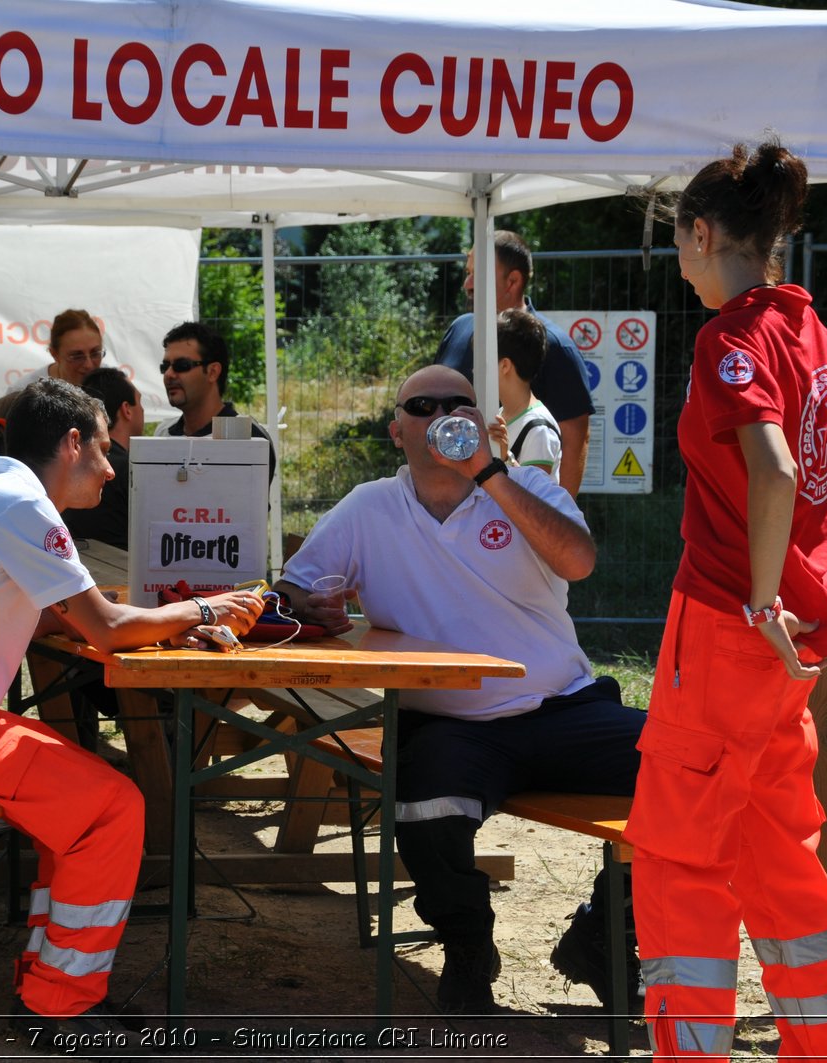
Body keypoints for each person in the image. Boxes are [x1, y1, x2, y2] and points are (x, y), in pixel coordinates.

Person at [626, 141, 827, 1061]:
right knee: (776, 849)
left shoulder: (734, 338)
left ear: (707, 234)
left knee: (682, 861)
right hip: (796, 641)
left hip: (729, 627)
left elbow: (775, 468)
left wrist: (761, 596)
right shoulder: (816, 337)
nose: (679, 263)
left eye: (679, 244)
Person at [0, 378, 264, 1043]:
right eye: (106, 451)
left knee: (86, 805)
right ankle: (57, 1003)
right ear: (72, 442)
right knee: (115, 808)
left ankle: (51, 982)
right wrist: (203, 608)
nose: (113, 471)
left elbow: (65, 617)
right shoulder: (23, 504)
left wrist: (167, 624)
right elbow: (108, 626)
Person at [274, 364, 646, 1015]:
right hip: (450, 723)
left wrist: (489, 472)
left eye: (459, 403)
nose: (443, 412)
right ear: (397, 430)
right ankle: (468, 943)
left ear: (483, 420)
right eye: (424, 404)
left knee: (696, 766)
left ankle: (605, 929)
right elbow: (293, 591)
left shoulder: (524, 485)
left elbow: (578, 561)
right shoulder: (370, 507)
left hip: (562, 707)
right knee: (423, 806)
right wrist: (315, 611)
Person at [434, 230, 594, 496]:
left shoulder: (555, 346)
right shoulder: (459, 329)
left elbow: (575, 440)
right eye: (468, 272)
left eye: (477, 274)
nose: (467, 284)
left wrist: (556, 524)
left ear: (513, 281)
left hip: (512, 516)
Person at [153, 321, 275, 478]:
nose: (169, 374)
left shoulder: (250, 437)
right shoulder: (162, 435)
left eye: (182, 365)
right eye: (165, 366)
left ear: (212, 372)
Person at [65, 366, 142, 550]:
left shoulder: (66, 463)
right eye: (140, 403)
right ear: (127, 410)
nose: (108, 472)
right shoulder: (135, 471)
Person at [495, 307, 562, 482]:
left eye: (482, 358)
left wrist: (505, 458)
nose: (474, 368)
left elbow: (534, 500)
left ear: (505, 366)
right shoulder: (501, 414)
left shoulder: (539, 431)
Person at [5, 308, 107, 392]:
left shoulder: (113, 383)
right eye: (77, 356)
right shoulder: (23, 392)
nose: (88, 365)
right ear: (55, 354)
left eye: (95, 353)